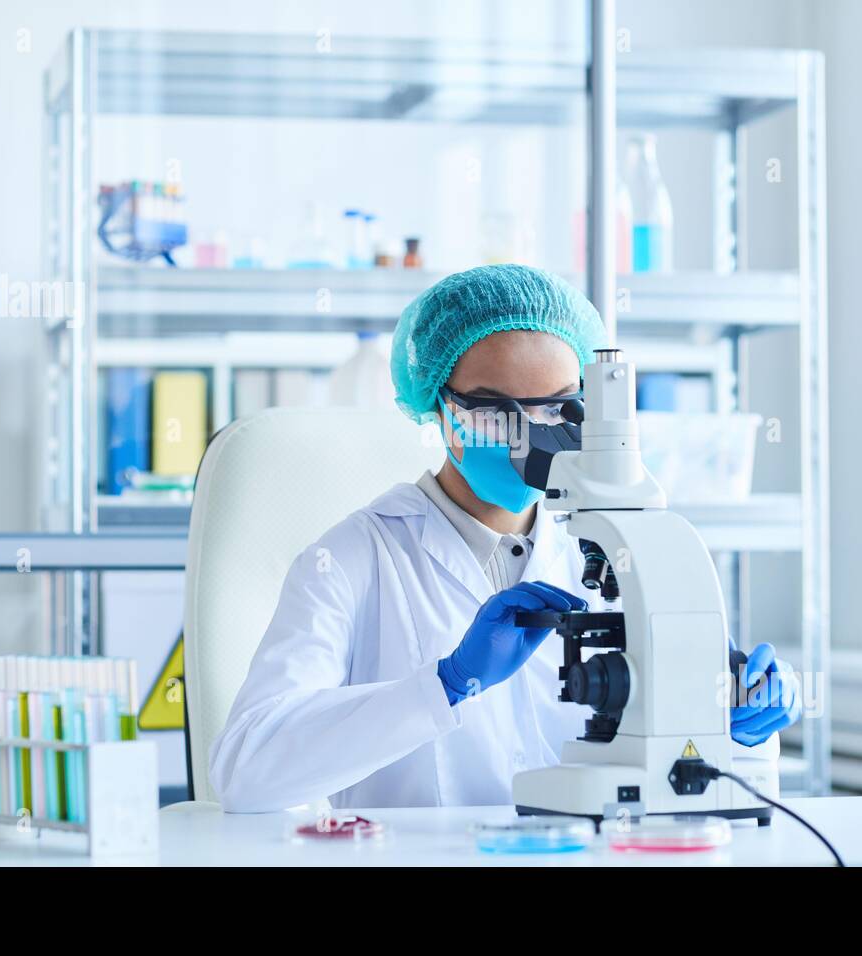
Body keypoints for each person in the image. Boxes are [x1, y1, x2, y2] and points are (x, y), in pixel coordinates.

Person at [209, 264, 801, 811]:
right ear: (439, 407)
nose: (529, 436)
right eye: (495, 409)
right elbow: (245, 770)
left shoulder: (613, 553)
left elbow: (694, 772)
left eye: (556, 409)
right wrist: (443, 685)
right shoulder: (353, 559)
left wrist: (737, 718)